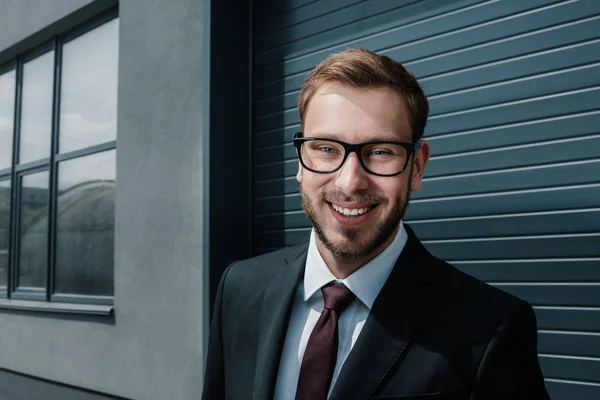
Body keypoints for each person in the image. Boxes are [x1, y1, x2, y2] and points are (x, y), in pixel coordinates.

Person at [202, 48, 550, 400]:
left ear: (417, 166)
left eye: (381, 151)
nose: (350, 182)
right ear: (300, 161)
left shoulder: (491, 328)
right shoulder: (240, 288)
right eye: (326, 149)